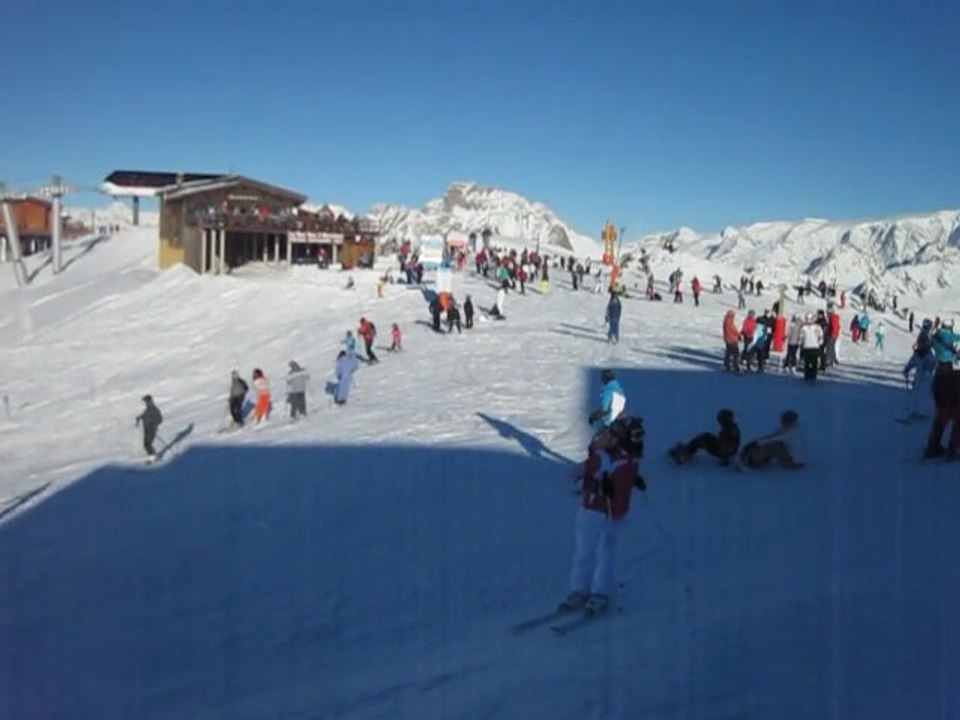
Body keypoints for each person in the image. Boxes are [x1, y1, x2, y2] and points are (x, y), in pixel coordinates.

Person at [558, 423, 644, 616]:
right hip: (591, 509)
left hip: (614, 512)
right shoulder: (602, 456)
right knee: (584, 551)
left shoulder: (631, 457)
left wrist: (634, 480)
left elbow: (626, 474)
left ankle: (600, 593)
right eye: (634, 436)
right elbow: (578, 476)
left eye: (639, 436)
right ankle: (579, 590)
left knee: (606, 552)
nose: (637, 440)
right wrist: (595, 484)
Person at [669, 409, 741, 466]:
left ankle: (684, 454)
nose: (719, 421)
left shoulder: (729, 430)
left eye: (720, 418)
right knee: (705, 436)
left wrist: (724, 459)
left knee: (703, 439)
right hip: (726, 449)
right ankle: (687, 449)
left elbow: (727, 445)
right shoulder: (730, 427)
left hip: (724, 452)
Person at [740, 410, 805, 469]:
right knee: (776, 445)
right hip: (751, 458)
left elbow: (775, 439)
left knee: (777, 445)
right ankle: (789, 464)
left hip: (756, 457)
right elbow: (770, 438)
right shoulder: (784, 431)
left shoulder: (791, 431)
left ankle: (789, 464)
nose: (782, 422)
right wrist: (754, 444)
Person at [923, 368, 960, 460]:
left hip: (941, 395)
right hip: (951, 397)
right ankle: (953, 449)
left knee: (940, 421)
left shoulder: (945, 375)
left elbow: (934, 388)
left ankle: (932, 448)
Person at [135, 394, 163, 461]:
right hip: (146, 429)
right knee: (146, 444)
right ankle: (151, 456)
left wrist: (153, 423)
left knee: (148, 444)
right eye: (145, 401)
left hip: (152, 429)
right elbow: (144, 415)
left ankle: (154, 457)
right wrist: (139, 417)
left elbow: (160, 419)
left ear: (150, 401)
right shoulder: (148, 409)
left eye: (146, 401)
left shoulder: (154, 409)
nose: (145, 403)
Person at [799, 313, 824, 383]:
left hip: (814, 347)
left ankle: (813, 376)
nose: (808, 321)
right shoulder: (804, 327)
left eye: (810, 319)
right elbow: (801, 336)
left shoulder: (817, 327)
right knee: (807, 363)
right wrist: (801, 342)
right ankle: (807, 376)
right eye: (807, 319)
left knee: (814, 363)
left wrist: (820, 342)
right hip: (807, 347)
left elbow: (821, 335)